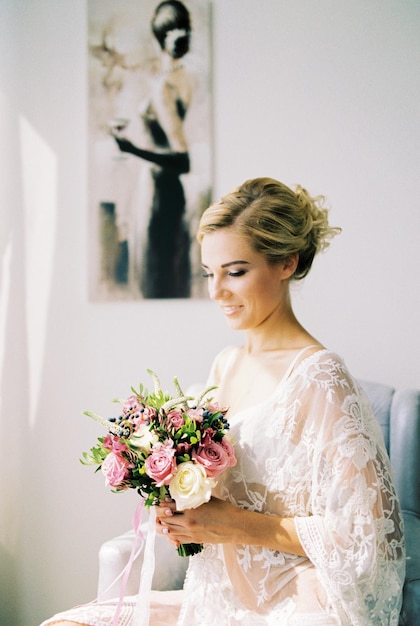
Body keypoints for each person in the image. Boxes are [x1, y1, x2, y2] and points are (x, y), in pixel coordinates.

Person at [40, 177, 405, 625]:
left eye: (235, 272)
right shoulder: (226, 366)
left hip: (297, 603)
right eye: (209, 274)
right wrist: (179, 505)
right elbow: (218, 493)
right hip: (218, 596)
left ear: (287, 262)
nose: (217, 292)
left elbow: (369, 540)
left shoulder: (321, 376)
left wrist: (233, 524)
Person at [112, 0, 193, 298]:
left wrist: (131, 148)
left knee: (158, 279)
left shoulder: (166, 87)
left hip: (161, 195)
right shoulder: (174, 80)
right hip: (159, 191)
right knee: (162, 276)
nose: (183, 35)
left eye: (183, 29)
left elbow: (183, 160)